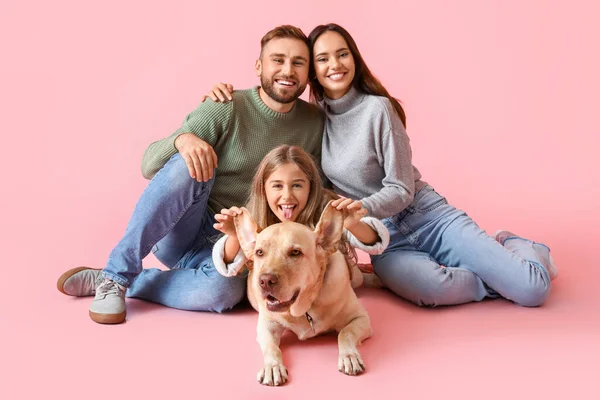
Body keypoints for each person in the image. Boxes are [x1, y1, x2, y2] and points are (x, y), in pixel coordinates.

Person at [205, 23, 558, 308]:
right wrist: (226, 96)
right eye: (323, 59)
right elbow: (280, 146)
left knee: (531, 290)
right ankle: (491, 272)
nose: (335, 65)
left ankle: (518, 247)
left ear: (355, 59)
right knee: (430, 289)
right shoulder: (314, 120)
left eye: (342, 54)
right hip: (382, 240)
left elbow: (402, 188)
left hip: (426, 215)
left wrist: (357, 209)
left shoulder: (379, 109)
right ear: (312, 72)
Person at [56, 25, 325, 324]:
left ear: (308, 71)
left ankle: (134, 282)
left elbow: (316, 190)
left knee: (224, 294)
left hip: (236, 246)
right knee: (190, 160)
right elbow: (149, 164)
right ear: (259, 66)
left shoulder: (314, 123)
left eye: (298, 62)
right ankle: (116, 275)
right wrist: (181, 140)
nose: (287, 70)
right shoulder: (226, 106)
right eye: (278, 59)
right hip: (183, 226)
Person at [209, 145, 389, 288]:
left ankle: (364, 278)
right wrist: (235, 236)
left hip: (330, 286)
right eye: (277, 186)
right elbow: (228, 266)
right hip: (285, 290)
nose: (287, 196)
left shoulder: (326, 207)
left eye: (297, 185)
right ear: (263, 189)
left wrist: (352, 224)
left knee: (353, 276)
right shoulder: (256, 216)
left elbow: (376, 243)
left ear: (310, 187)